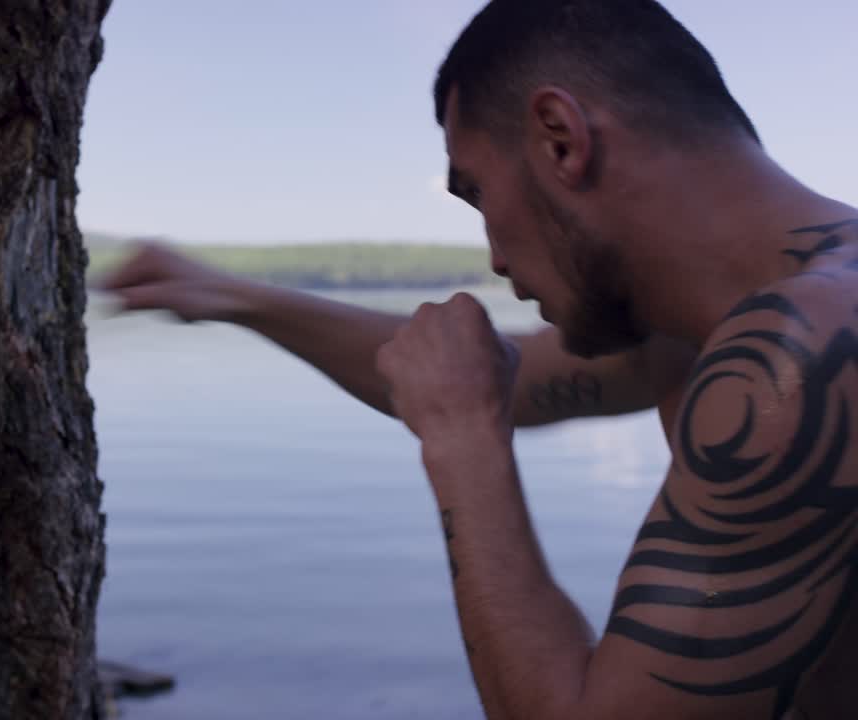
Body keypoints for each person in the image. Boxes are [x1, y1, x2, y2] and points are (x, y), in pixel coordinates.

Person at [99, 1, 858, 718]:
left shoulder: (801, 358)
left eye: (477, 194)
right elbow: (506, 377)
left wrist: (462, 443)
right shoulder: (732, 330)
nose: (493, 257)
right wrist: (237, 298)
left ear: (561, 138)